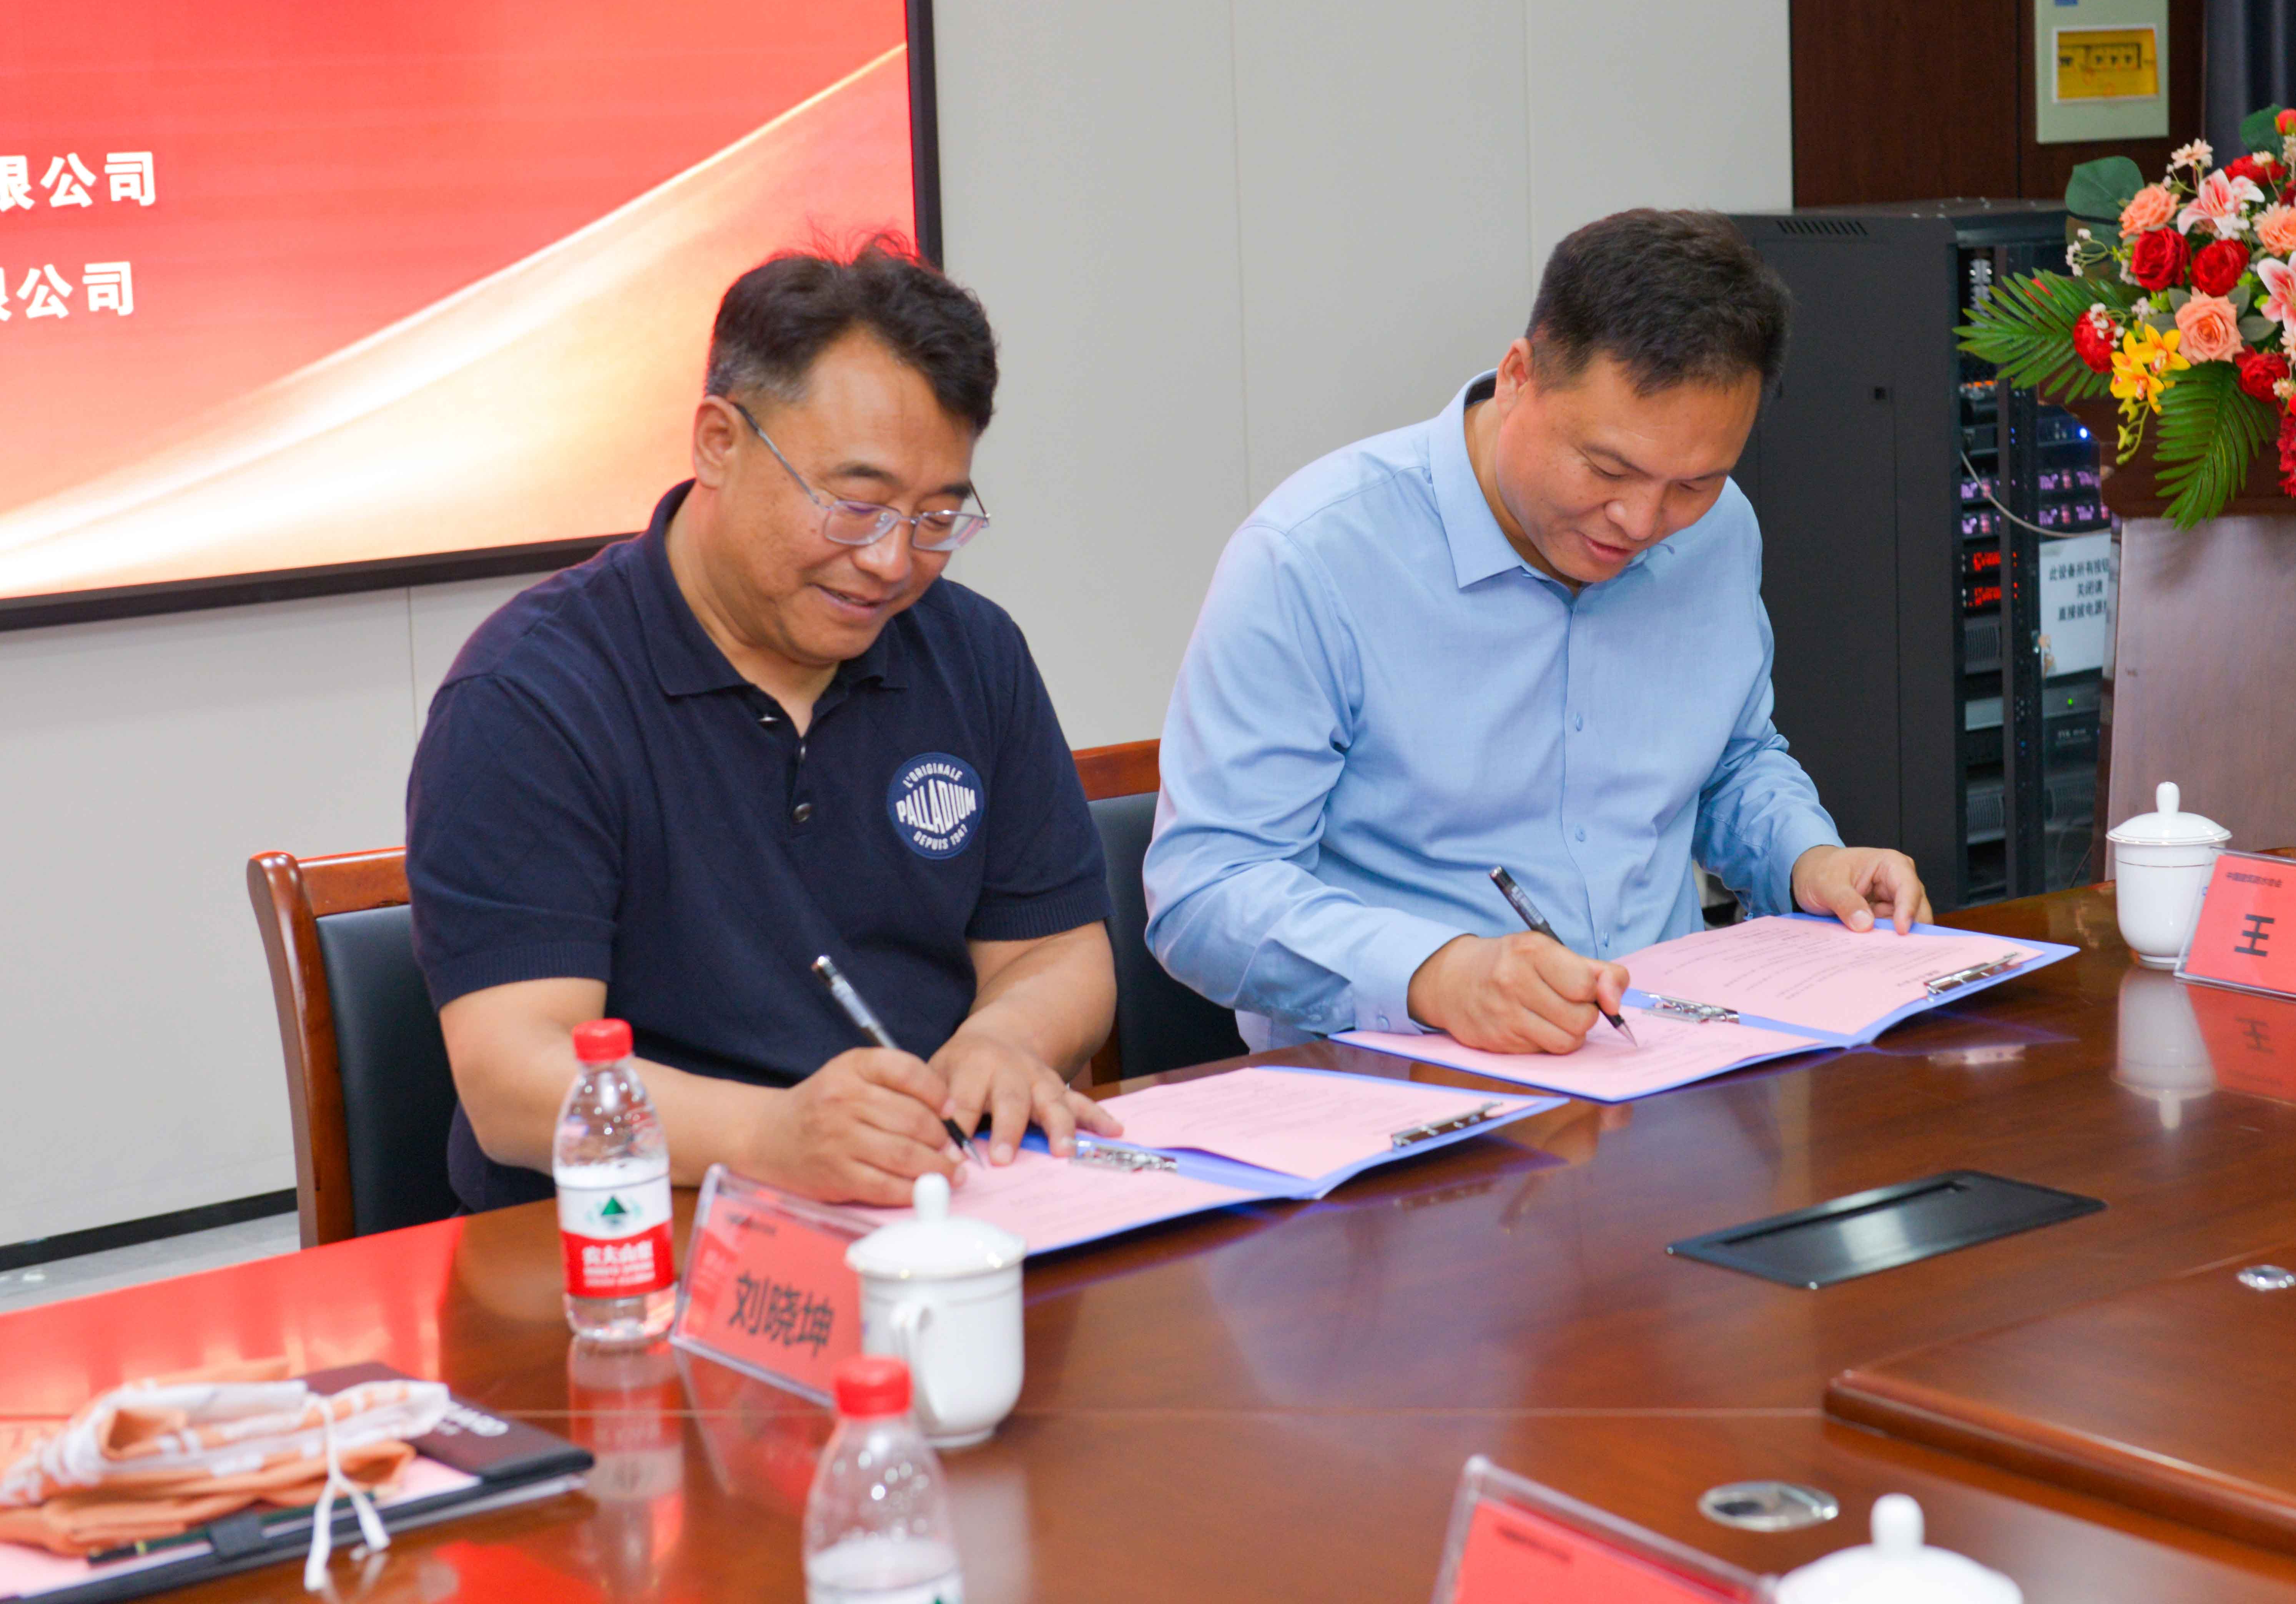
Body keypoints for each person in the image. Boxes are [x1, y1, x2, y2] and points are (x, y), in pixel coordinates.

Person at [412, 239, 1121, 1213]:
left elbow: (1057, 949)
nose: (891, 563)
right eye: (857, 506)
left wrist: (1002, 1039)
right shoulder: (531, 694)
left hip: (927, 1203)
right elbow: (514, 1081)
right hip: (628, 1231)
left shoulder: (971, 652)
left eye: (935, 519)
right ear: (719, 442)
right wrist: (769, 1136)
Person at [1146, 207, 1930, 1056]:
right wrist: (1434, 975)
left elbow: (1730, 764)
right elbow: (1206, 891)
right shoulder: (1315, 558)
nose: (1641, 521)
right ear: (1519, 377)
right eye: (1607, 467)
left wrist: (1807, 860)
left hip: (1668, 1053)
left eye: (1693, 483)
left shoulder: (1718, 530)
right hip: (1409, 1087)